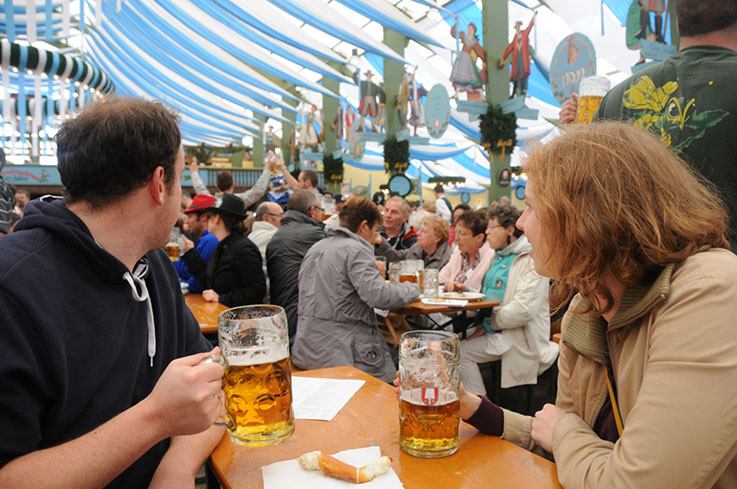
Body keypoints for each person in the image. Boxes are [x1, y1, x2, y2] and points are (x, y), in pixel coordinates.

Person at [452, 121, 737, 488]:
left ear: (589, 216)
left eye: (533, 207)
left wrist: (563, 432)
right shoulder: (587, 308)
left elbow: (631, 480)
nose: (521, 223)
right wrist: (477, 410)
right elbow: (567, 447)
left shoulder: (709, 290)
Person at [0, 98, 224, 488]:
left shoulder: (154, 266)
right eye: (180, 178)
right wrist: (154, 418)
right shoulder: (11, 287)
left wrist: (176, 468)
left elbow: (212, 388)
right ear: (159, 183)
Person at [560, 0, 737, 249]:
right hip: (724, 267)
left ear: (678, 22)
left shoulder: (617, 98)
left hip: (639, 269)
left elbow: (585, 199)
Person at [292, 197, 420, 382]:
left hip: (308, 348)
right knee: (409, 360)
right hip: (343, 353)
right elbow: (379, 296)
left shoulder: (316, 247)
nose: (375, 237)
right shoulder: (356, 249)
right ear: (364, 226)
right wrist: (412, 288)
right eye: (375, 230)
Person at [459, 203, 557, 395]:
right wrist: (468, 291)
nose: (487, 232)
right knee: (450, 340)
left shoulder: (531, 259)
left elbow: (523, 311)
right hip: (497, 329)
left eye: (492, 227)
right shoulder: (497, 257)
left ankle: (481, 405)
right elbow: (492, 296)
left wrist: (488, 322)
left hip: (518, 336)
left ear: (509, 230)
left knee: (460, 351)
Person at [181, 193, 266, 307]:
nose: (207, 219)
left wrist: (221, 299)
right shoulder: (224, 245)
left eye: (210, 216)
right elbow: (209, 279)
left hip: (237, 317)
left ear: (217, 218)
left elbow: (257, 291)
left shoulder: (244, 249)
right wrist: (190, 252)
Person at [266, 190, 326, 344]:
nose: (322, 215)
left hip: (281, 317)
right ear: (313, 211)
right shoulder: (314, 234)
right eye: (321, 210)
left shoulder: (280, 233)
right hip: (300, 320)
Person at [189, 154, 275, 208]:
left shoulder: (211, 201)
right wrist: (267, 169)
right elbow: (257, 191)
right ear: (233, 184)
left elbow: (200, 189)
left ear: (217, 186)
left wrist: (194, 173)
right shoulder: (239, 201)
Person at [174, 194, 219, 293]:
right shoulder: (203, 239)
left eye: (190, 216)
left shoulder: (210, 239)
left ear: (203, 217)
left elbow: (197, 283)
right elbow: (182, 272)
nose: (187, 221)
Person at [441, 209, 494, 292]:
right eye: (456, 233)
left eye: (462, 234)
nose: (456, 238)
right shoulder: (458, 252)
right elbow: (442, 278)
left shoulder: (490, 256)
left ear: (479, 238)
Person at [374, 214, 453, 270]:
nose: (418, 233)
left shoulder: (448, 259)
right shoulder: (416, 248)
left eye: (424, 231)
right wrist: (381, 242)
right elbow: (396, 258)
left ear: (437, 238)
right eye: (419, 230)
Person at [249, 201, 284, 302]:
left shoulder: (250, 236)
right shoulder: (274, 237)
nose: (283, 219)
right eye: (280, 215)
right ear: (266, 217)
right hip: (268, 299)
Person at [499, 11, 538, 98]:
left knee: (523, 73)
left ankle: (523, 91)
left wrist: (533, 18)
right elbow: (509, 49)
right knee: (516, 75)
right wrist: (503, 58)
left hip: (523, 58)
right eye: (516, 27)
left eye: (518, 26)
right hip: (517, 58)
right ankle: (513, 93)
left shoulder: (524, 34)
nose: (517, 28)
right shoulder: (515, 38)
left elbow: (529, 27)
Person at [450, 20, 486, 101]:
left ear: (474, 30)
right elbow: (454, 34)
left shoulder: (475, 42)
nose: (469, 30)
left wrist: (484, 61)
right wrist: (456, 23)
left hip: (468, 60)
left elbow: (480, 51)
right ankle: (456, 93)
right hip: (461, 58)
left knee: (472, 76)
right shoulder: (464, 36)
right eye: (468, 28)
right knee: (459, 77)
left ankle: (481, 95)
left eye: (471, 28)